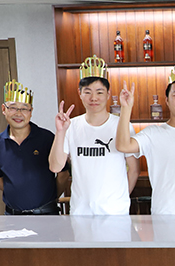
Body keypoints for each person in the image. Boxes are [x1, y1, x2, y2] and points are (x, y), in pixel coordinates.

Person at [49, 55, 139, 215]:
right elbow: (55, 166)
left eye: (99, 92)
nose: (94, 98)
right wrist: (60, 132)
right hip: (81, 213)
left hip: (115, 213)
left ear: (108, 94)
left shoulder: (122, 125)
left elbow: (133, 169)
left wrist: (121, 199)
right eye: (87, 92)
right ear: (79, 93)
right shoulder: (71, 126)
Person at [114, 65, 175, 215]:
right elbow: (123, 145)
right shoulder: (153, 133)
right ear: (167, 100)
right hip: (161, 215)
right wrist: (126, 108)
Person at [0, 80, 67, 215]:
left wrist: (50, 198)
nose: (18, 113)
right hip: (13, 216)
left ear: (31, 112)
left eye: (25, 108)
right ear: (3, 109)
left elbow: (63, 174)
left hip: (46, 214)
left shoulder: (47, 138)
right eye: (13, 108)